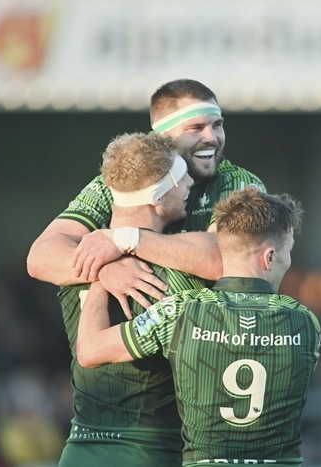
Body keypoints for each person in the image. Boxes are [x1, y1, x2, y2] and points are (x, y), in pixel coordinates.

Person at [76, 187, 321, 467]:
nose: (288, 261)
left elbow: (89, 350)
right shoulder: (304, 321)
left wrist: (101, 272)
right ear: (268, 258)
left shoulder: (181, 311)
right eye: (286, 252)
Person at [27, 79, 265, 316]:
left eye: (217, 125)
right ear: (162, 135)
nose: (212, 138)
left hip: (204, 343)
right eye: (196, 128)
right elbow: (40, 257)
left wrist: (125, 240)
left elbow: (225, 262)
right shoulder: (120, 181)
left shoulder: (238, 184)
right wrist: (104, 268)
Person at [58, 132, 207, 467]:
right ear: (156, 198)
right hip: (149, 451)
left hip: (80, 448)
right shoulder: (178, 272)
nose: (188, 184)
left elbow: (38, 257)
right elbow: (226, 258)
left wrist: (106, 263)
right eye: (180, 177)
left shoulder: (73, 267)